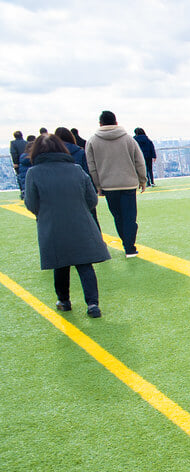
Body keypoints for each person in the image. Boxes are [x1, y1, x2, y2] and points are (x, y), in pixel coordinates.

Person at [24, 134, 110, 318]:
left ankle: (64, 301)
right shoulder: (76, 170)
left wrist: (46, 214)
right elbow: (92, 199)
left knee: (60, 264)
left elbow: (31, 203)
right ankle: (93, 304)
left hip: (52, 226)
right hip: (80, 223)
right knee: (85, 265)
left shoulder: (34, 173)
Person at [85, 110, 146, 256]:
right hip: (129, 184)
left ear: (100, 123)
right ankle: (130, 246)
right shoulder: (128, 139)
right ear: (116, 122)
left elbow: (91, 166)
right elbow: (139, 161)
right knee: (130, 217)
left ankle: (126, 242)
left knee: (118, 217)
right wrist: (142, 180)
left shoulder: (92, 141)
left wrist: (98, 185)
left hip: (108, 186)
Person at [10, 131, 27, 196]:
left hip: (19, 163)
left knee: (20, 177)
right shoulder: (26, 143)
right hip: (28, 161)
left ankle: (23, 192)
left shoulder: (13, 143)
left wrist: (15, 163)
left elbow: (13, 153)